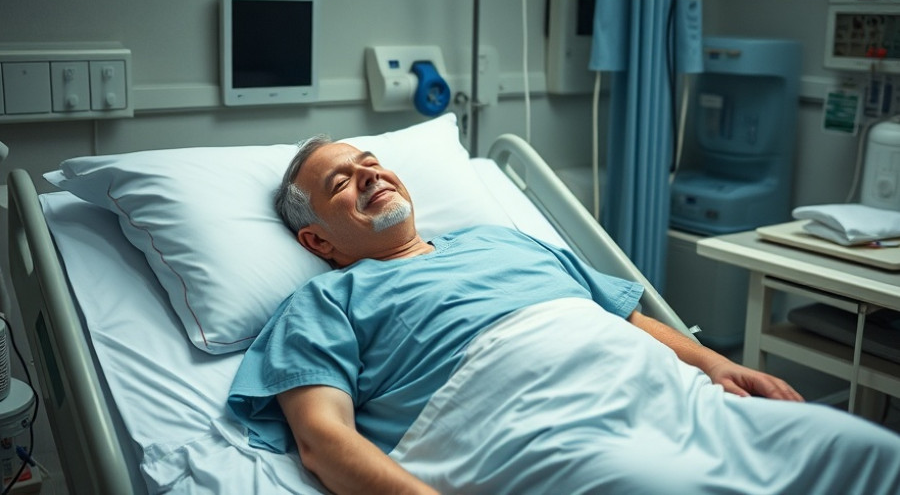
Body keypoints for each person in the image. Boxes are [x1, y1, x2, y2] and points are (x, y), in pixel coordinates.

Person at [228, 136, 900, 495]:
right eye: (340, 182)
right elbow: (322, 439)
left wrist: (721, 364)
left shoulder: (502, 239)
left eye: (369, 162)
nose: (369, 175)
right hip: (551, 436)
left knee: (869, 453)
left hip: (681, 404)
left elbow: (622, 315)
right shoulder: (323, 303)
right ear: (317, 241)